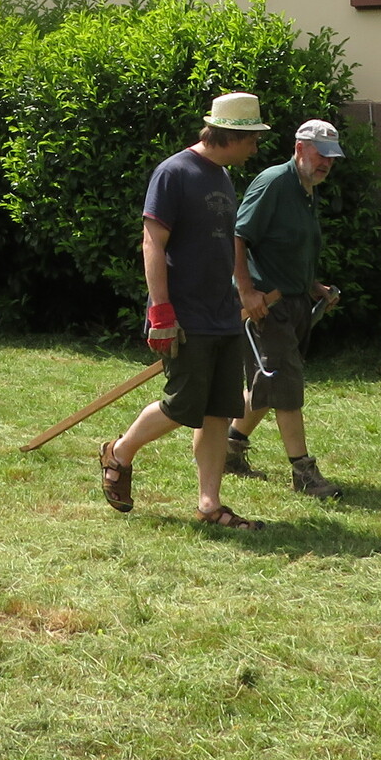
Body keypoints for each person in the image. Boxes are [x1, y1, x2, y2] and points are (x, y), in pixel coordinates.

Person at [97, 91, 271, 529]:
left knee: (218, 410)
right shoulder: (174, 172)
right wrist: (161, 312)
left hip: (222, 312)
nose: (255, 148)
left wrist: (240, 293)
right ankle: (119, 452)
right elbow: (152, 242)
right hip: (184, 313)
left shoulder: (223, 177)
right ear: (230, 135)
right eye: (252, 139)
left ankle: (210, 504)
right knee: (182, 405)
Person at [227, 118, 346, 498]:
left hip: (293, 302)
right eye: (321, 154)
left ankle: (229, 449)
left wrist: (313, 286)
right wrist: (247, 291)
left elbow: (286, 248)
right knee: (286, 384)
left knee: (269, 382)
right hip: (266, 305)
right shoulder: (274, 182)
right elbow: (238, 236)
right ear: (299, 148)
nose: (327, 162)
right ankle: (303, 472)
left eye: (332, 156)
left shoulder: (306, 188)